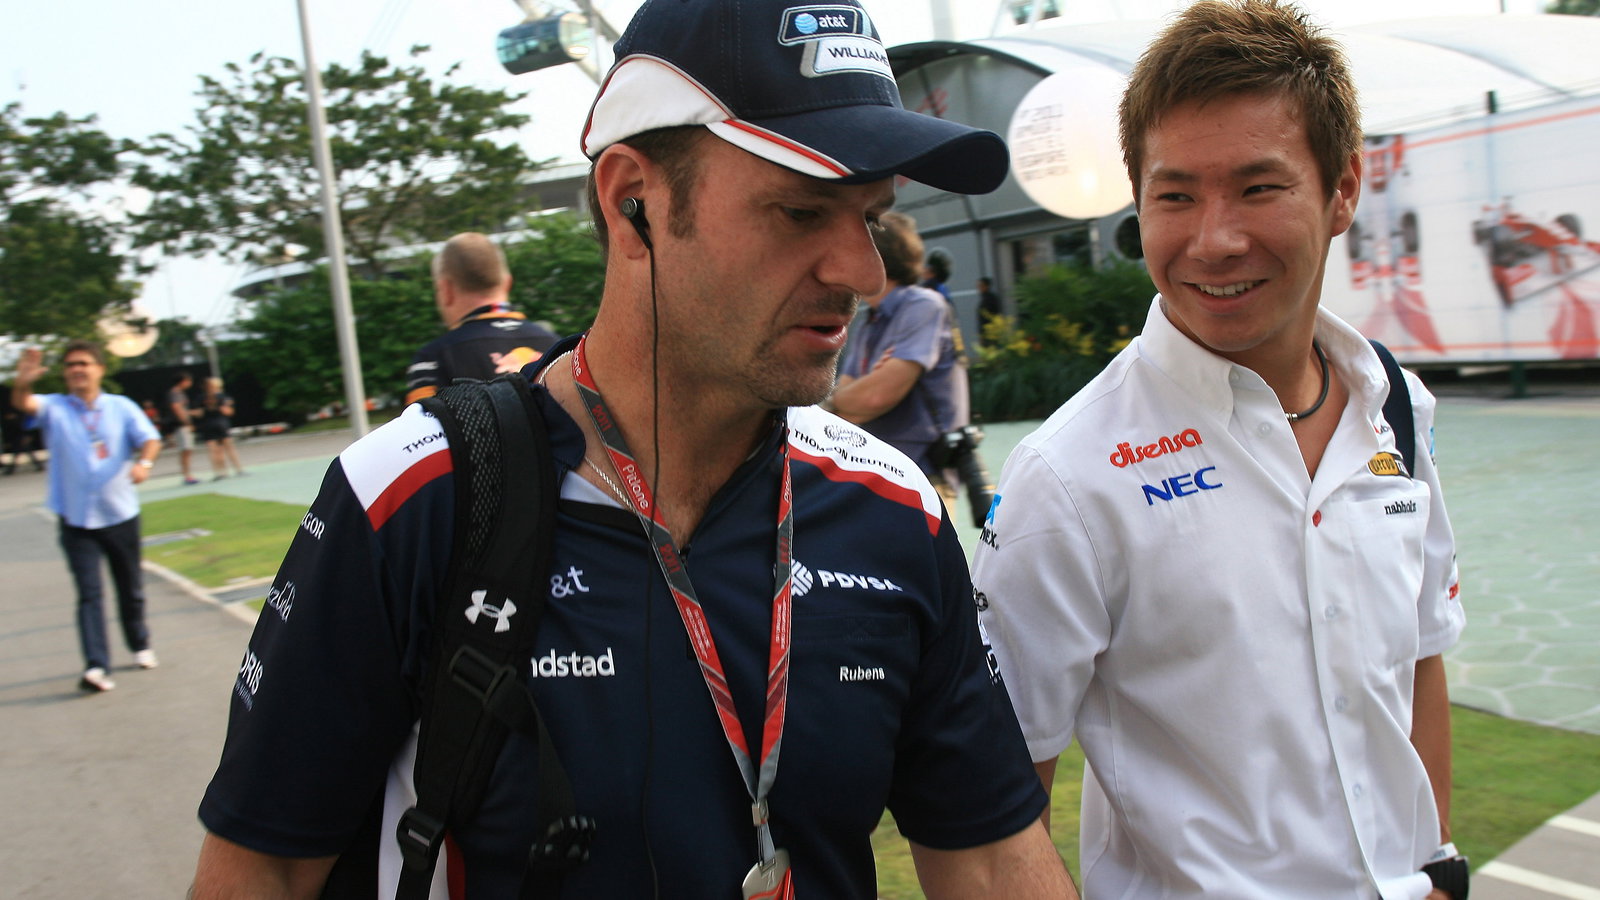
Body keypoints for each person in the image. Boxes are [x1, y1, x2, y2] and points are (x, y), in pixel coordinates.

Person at [191, 1, 1075, 898]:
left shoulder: (891, 509)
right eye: (803, 211)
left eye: (872, 218)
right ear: (633, 202)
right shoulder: (415, 496)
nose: (862, 272)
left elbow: (995, 859)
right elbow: (263, 868)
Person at [971, 2, 1467, 898]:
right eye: (1175, 195)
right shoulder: (1066, 478)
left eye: (1258, 186)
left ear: (1343, 188)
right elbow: (998, 811)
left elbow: (1421, 659)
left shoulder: (1392, 404)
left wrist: (1436, 867)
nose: (1214, 239)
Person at [11, 342, 163, 692]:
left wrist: (144, 463)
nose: (76, 369)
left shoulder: (120, 407)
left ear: (99, 368)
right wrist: (22, 382)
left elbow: (150, 439)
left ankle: (140, 643)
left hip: (120, 513)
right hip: (76, 518)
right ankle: (96, 665)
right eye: (69, 365)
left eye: (83, 363)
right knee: (89, 593)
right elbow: (24, 403)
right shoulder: (55, 407)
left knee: (131, 588)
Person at [830, 212, 992, 524]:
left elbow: (876, 398)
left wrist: (842, 400)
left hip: (922, 479)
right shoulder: (869, 321)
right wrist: (853, 397)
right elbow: (851, 410)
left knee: (922, 572)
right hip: (875, 476)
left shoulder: (922, 305)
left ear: (876, 257)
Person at [402, 232, 560, 406]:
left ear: (446, 290)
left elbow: (422, 431)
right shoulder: (558, 347)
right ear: (508, 283)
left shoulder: (433, 360)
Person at [196, 377, 246, 479]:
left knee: (213, 450)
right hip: (221, 423)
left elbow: (198, 413)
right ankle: (238, 469)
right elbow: (227, 411)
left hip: (207, 424)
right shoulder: (222, 397)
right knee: (229, 447)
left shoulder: (200, 398)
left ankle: (219, 473)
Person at [166, 371, 200, 485]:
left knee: (188, 450)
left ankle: (188, 474)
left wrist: (191, 413)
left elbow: (183, 410)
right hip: (180, 426)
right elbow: (177, 409)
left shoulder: (180, 393)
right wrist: (187, 423)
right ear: (183, 381)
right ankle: (187, 476)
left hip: (184, 425)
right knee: (185, 450)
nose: (190, 383)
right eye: (188, 381)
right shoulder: (174, 393)